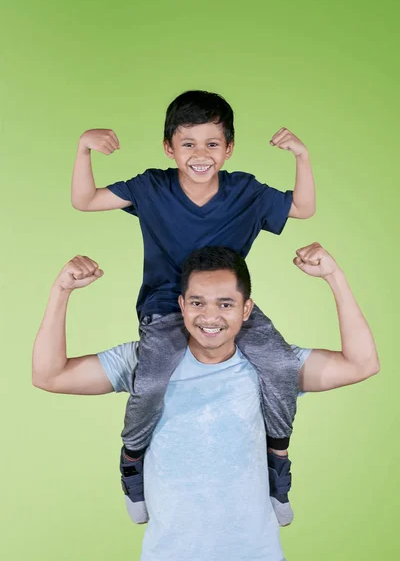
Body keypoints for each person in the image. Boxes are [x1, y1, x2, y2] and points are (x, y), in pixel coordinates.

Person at [32, 243, 379, 561]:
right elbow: (50, 376)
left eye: (225, 304)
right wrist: (60, 291)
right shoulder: (144, 362)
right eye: (197, 302)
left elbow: (362, 364)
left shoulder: (274, 367)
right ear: (182, 305)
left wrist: (335, 277)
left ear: (246, 310)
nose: (209, 317)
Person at [70, 90, 316, 526]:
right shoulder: (152, 187)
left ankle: (277, 463)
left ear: (229, 148)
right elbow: (85, 200)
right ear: (169, 148)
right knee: (152, 376)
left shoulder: (246, 192)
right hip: (166, 306)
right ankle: (132, 462)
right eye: (188, 144)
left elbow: (302, 207)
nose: (200, 155)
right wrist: (84, 147)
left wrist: (301, 154)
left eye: (212, 144)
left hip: (226, 307)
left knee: (279, 364)